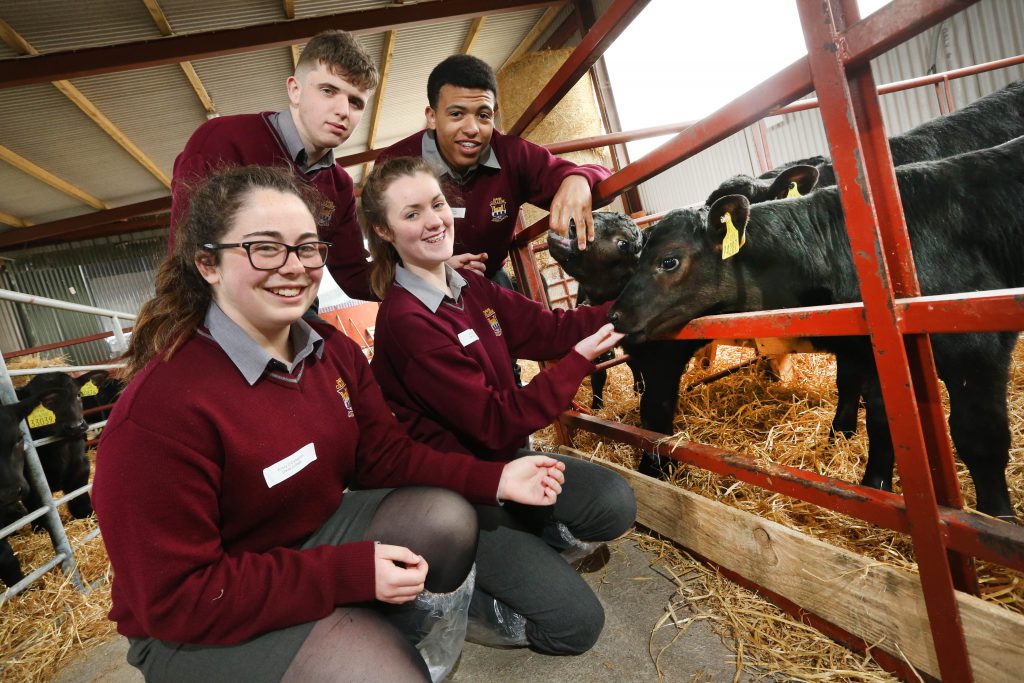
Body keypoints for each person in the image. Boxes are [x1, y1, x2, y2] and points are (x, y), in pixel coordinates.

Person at [92, 165, 568, 683]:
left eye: (306, 248)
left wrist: (493, 479)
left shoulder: (329, 349)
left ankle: (359, 624)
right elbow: (177, 598)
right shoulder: (162, 413)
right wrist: (348, 574)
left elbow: (386, 456)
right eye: (264, 248)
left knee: (446, 518)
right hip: (199, 613)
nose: (293, 267)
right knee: (388, 675)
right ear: (208, 263)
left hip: (302, 539)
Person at [362, 157, 637, 655]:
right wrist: (575, 363)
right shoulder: (407, 321)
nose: (433, 221)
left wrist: (638, 306)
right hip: (457, 491)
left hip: (508, 463)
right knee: (576, 625)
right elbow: (493, 423)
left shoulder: (471, 287)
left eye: (438, 204)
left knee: (615, 502)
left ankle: (525, 535)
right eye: (411, 214)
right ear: (383, 230)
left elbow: (550, 330)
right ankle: (467, 599)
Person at [169, 30, 378, 301]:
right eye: (328, 91)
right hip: (220, 308)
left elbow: (355, 274)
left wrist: (428, 276)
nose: (343, 111)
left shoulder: (339, 186)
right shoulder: (222, 140)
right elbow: (186, 254)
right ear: (295, 90)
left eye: (355, 102)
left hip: (296, 305)